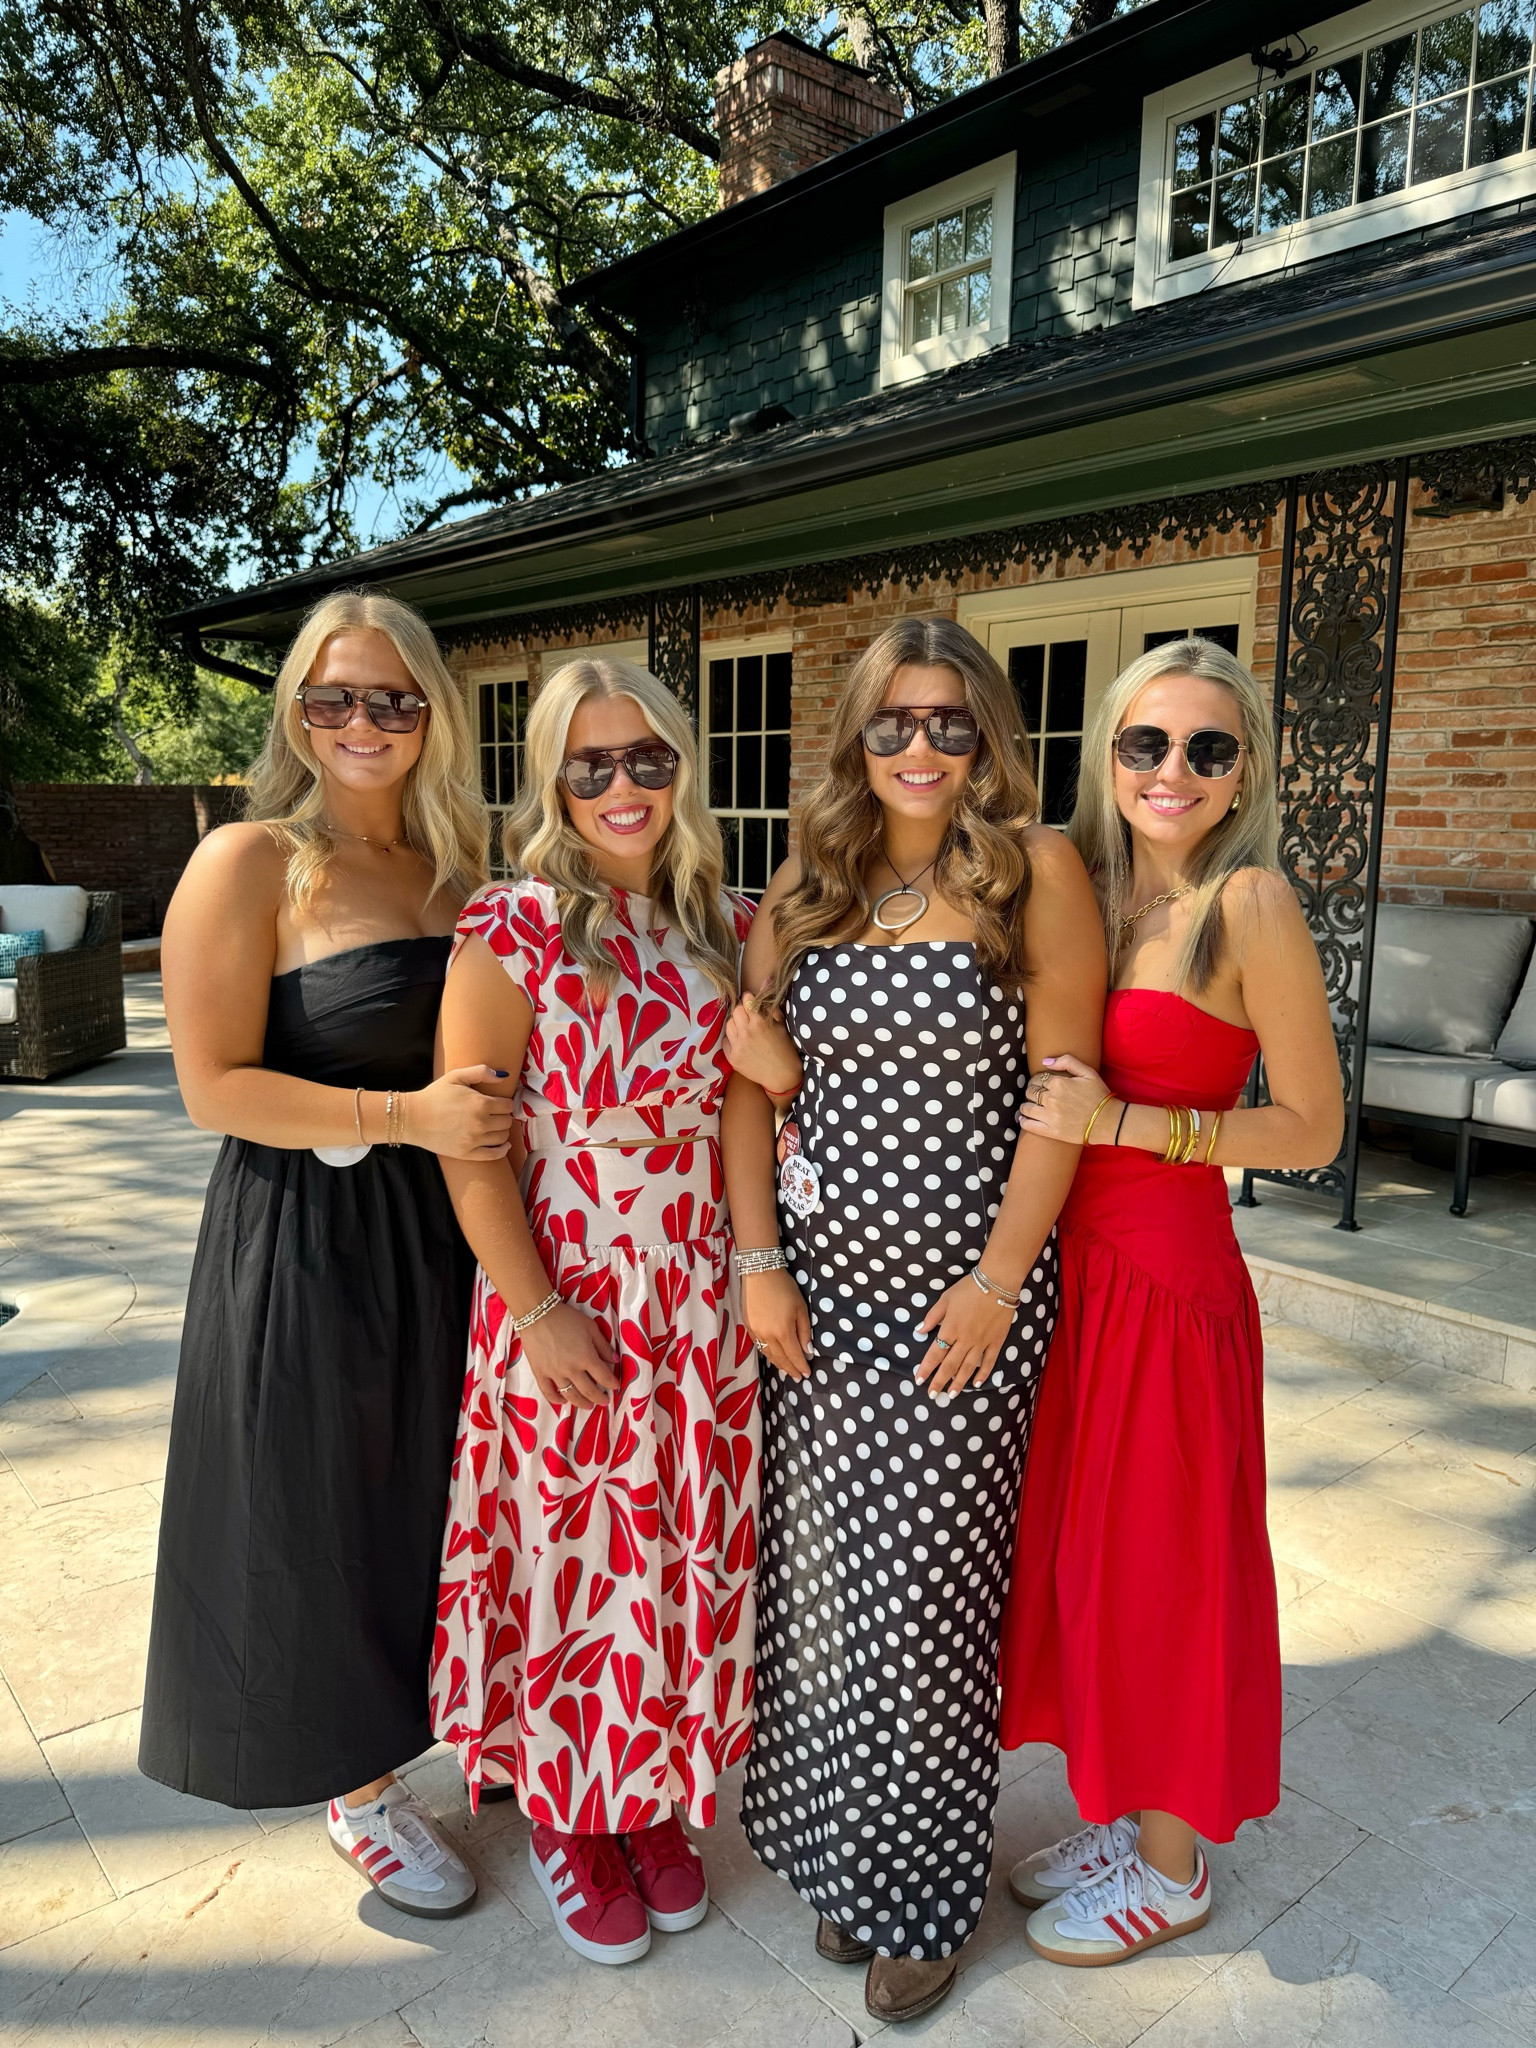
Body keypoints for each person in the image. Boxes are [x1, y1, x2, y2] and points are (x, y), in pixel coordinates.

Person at [720, 615, 1107, 2025]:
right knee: (826, 1595)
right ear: (858, 737)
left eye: (952, 722)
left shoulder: (1035, 872)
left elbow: (1062, 1096)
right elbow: (746, 1080)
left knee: (931, 1606)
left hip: (963, 1302)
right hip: (819, 1297)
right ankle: (848, 1860)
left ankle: (923, 1899)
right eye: (895, 721)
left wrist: (999, 1284)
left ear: (989, 735)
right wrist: (758, 1263)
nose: (923, 747)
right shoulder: (806, 881)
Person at [141, 590, 512, 1921]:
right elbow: (213, 1087)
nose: (365, 722)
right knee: (322, 1504)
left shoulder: (464, 867)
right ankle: (358, 1786)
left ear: (432, 715)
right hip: (307, 1229)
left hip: (452, 1228)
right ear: (297, 712)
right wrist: (406, 1118)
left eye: (393, 698)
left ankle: (472, 1719)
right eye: (334, 697)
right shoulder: (249, 862)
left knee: (439, 1491)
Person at [428, 656, 780, 1968]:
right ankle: (568, 1815)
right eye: (591, 765)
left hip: (698, 1297)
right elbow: (471, 1145)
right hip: (571, 1293)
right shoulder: (510, 927)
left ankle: (652, 1796)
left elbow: (755, 1108)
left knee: (678, 1553)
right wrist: (535, 1312)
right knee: (572, 1557)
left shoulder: (731, 923)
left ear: (682, 766)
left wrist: (753, 1268)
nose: (623, 785)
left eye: (647, 758)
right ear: (553, 780)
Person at [1000, 636, 1344, 1965]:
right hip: (1070, 1276)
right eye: (1147, 742)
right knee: (1088, 1562)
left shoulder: (1247, 904)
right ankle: (1126, 1807)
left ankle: (1173, 1864)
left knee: (1164, 1572)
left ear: (1244, 770)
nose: (1174, 770)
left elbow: (1311, 1127)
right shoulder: (1084, 891)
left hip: (1166, 1284)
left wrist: (1136, 1123)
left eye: (1209, 747)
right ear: (1108, 754)